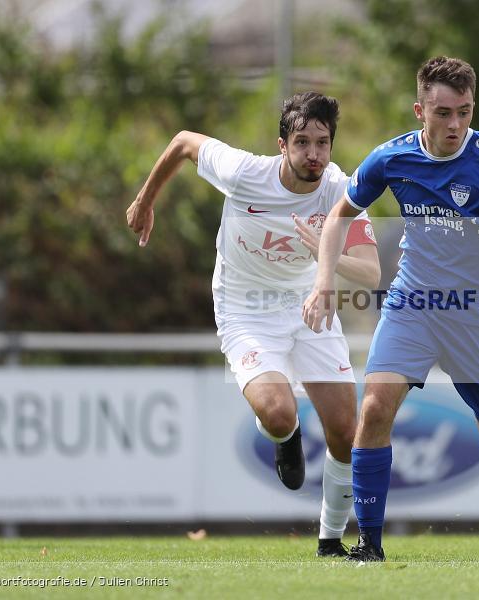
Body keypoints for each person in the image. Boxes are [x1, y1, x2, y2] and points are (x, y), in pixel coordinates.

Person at [302, 57, 479, 561]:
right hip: (413, 303)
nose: (455, 124)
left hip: (478, 313)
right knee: (374, 408)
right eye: (443, 113)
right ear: (420, 111)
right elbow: (338, 217)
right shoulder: (391, 158)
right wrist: (324, 280)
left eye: (465, 111)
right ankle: (370, 546)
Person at [126, 92, 380, 557]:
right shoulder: (244, 172)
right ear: (282, 145)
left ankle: (329, 542)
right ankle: (285, 436)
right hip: (245, 310)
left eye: (322, 143)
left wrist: (326, 254)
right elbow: (183, 142)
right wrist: (145, 201)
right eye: (302, 143)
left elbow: (371, 272)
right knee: (279, 412)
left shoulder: (340, 191)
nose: (313, 154)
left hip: (308, 308)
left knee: (347, 432)